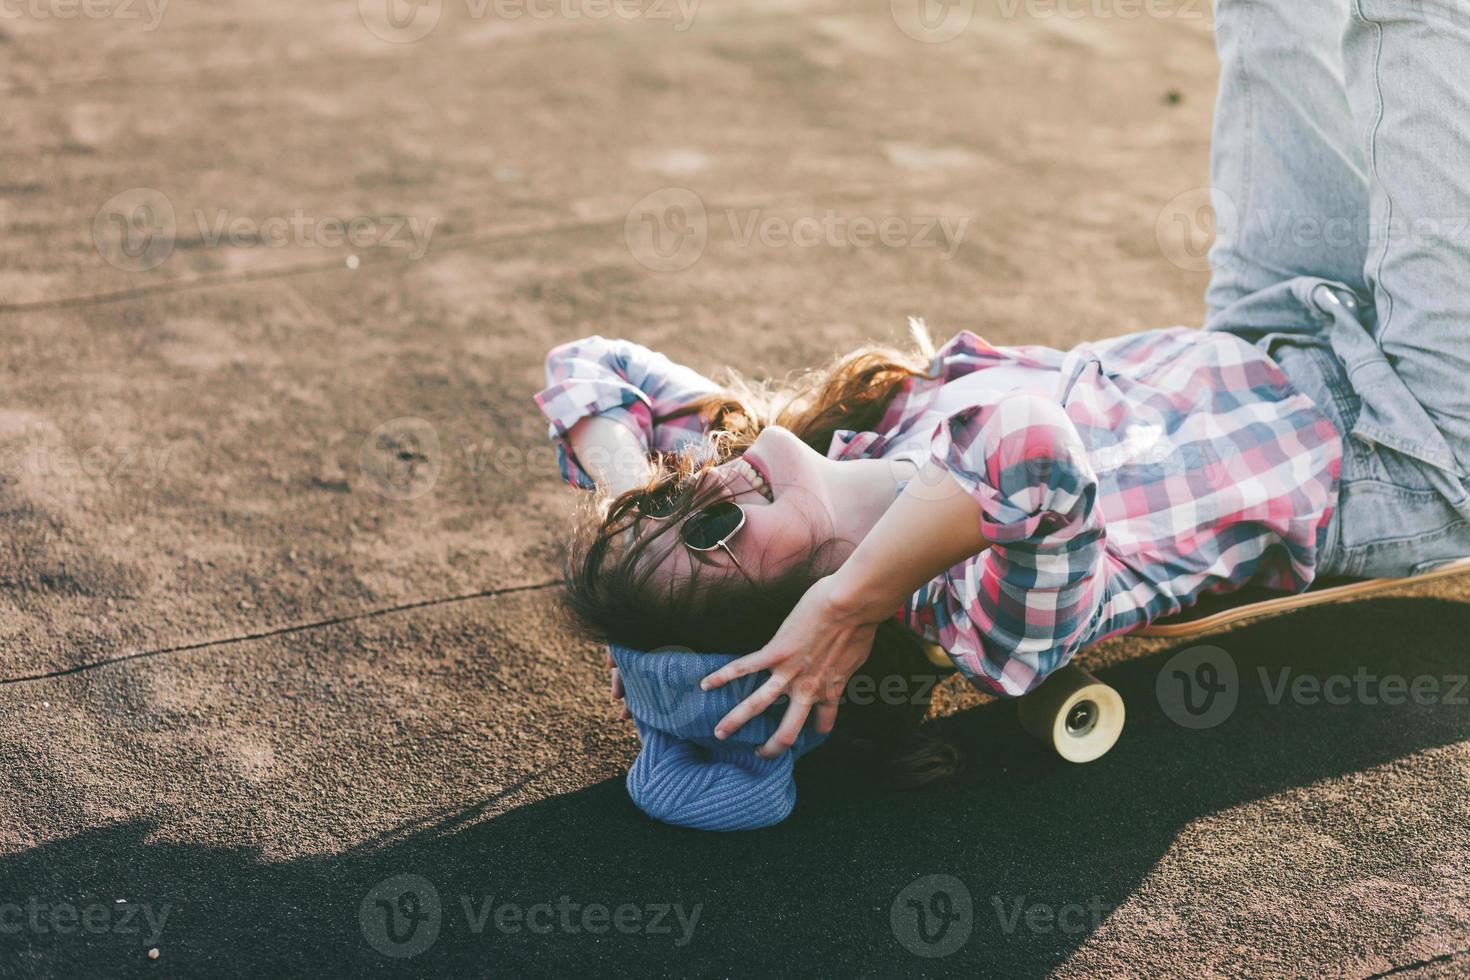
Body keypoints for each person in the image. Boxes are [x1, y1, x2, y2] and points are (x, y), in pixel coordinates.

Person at [534, 0, 1470, 829]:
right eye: (715, 526)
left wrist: (633, 508)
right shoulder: (984, 624)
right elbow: (1030, 445)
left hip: (1268, 327)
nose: (709, 479)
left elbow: (591, 368)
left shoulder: (834, 450)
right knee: (1412, 17)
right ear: (806, 626)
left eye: (673, 494)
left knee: (1268, 13)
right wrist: (849, 600)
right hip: (1410, 442)